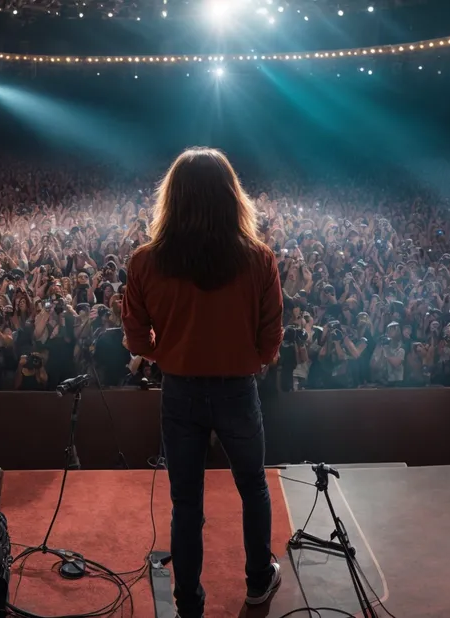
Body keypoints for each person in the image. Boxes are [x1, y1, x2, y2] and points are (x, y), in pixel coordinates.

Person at [122, 148, 283, 618]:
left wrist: (169, 352)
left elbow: (135, 337)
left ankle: (188, 601)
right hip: (237, 389)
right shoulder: (259, 259)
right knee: (252, 485)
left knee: (185, 502)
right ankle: (257, 583)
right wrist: (248, 359)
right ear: (232, 197)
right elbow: (271, 336)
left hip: (181, 390)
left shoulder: (145, 261)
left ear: (172, 198)